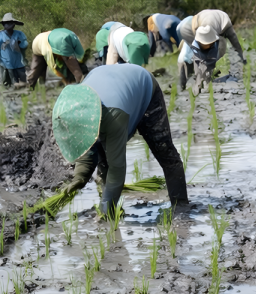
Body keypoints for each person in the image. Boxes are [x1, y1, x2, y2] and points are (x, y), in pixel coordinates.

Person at [52, 64, 188, 215]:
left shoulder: (113, 117)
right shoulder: (78, 111)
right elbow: (88, 150)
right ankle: (112, 209)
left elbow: (117, 170)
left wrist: (104, 213)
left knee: (164, 150)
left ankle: (181, 205)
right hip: (109, 82)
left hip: (142, 87)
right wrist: (79, 177)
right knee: (103, 158)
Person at [189, 10, 246, 90]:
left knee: (234, 42)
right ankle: (203, 78)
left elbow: (212, 56)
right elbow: (197, 56)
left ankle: (243, 60)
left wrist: (207, 72)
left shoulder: (213, 35)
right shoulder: (198, 31)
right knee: (201, 56)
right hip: (204, 17)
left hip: (224, 21)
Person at [0, 13, 28, 87]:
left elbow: (24, 46)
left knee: (23, 80)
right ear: (3, 24)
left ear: (14, 24)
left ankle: (23, 91)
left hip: (19, 62)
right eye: (6, 23)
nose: (7, 25)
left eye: (10, 23)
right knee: (9, 83)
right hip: (5, 63)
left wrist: (19, 44)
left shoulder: (19, 34)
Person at [176, 16, 195, 90]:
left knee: (182, 80)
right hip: (188, 60)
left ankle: (182, 88)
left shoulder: (184, 39)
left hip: (181, 59)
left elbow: (179, 48)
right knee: (190, 76)